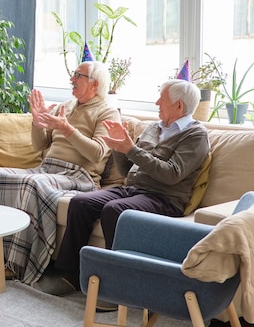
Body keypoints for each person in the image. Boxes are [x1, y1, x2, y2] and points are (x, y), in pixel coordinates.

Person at [0, 61, 122, 286]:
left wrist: (67, 129)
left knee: (31, 185)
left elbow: (97, 153)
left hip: (78, 177)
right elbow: (40, 144)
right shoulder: (66, 106)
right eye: (73, 74)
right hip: (47, 170)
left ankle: (13, 263)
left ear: (94, 84)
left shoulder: (107, 112)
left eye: (78, 75)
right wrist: (37, 122)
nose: (71, 79)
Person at [54, 79, 210, 298]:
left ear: (179, 106)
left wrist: (131, 148)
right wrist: (119, 147)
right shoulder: (153, 128)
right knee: (81, 202)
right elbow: (128, 171)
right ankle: (69, 274)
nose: (157, 103)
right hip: (133, 189)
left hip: (164, 198)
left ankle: (114, 287)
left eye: (162, 99)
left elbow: (172, 174)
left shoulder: (195, 135)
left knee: (115, 210)